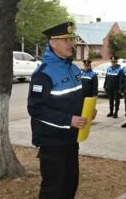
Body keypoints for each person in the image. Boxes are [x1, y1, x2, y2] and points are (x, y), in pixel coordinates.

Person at [27, 22, 95, 199]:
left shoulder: (73, 69)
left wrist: (86, 112)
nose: (70, 44)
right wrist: (69, 120)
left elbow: (75, 101)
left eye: (70, 39)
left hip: (72, 139)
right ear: (52, 43)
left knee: (70, 185)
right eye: (65, 40)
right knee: (53, 190)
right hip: (52, 142)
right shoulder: (43, 73)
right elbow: (36, 109)